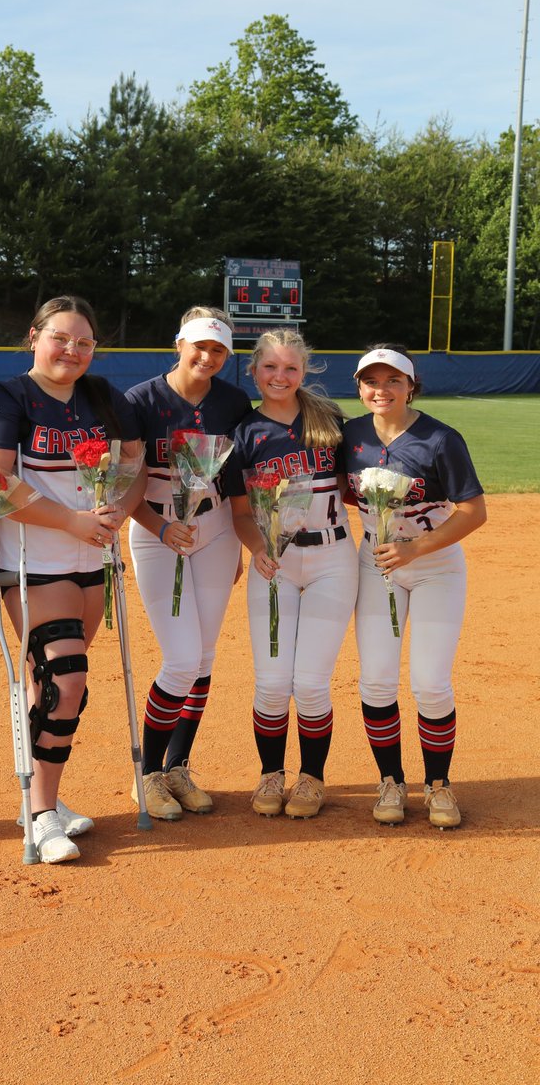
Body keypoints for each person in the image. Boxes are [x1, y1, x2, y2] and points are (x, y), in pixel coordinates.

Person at [0, 296, 145, 863]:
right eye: (61, 338)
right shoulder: (9, 397)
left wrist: (117, 508)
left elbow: (137, 465)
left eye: (84, 342)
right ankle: (41, 814)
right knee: (64, 679)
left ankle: (42, 798)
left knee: (53, 683)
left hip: (90, 563)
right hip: (31, 561)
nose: (72, 350)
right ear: (34, 337)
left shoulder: (103, 397)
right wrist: (70, 519)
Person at [343, 344, 486, 829]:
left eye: (392, 381)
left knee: (430, 682)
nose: (380, 390)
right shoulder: (351, 436)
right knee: (377, 678)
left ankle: (438, 785)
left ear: (411, 385)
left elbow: (474, 512)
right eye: (371, 381)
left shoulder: (440, 439)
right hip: (375, 563)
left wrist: (415, 549)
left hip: (435, 566)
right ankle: (390, 781)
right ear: (360, 387)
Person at [125, 306, 252, 820]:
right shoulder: (140, 400)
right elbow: (124, 483)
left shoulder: (234, 401)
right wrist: (158, 524)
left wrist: (240, 541)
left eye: (218, 349)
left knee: (202, 657)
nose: (207, 356)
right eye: (199, 345)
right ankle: (147, 773)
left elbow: (238, 483)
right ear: (179, 343)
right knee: (180, 658)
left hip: (216, 531)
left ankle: (178, 766)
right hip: (156, 532)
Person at [228, 328, 358, 819]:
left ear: (304, 373)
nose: (280, 376)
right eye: (270, 367)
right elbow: (241, 513)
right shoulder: (246, 432)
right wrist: (258, 548)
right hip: (275, 562)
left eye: (290, 368)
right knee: (271, 682)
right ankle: (270, 773)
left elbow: (355, 486)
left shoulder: (328, 421)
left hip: (332, 561)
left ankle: (311, 778)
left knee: (311, 684)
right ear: (254, 370)